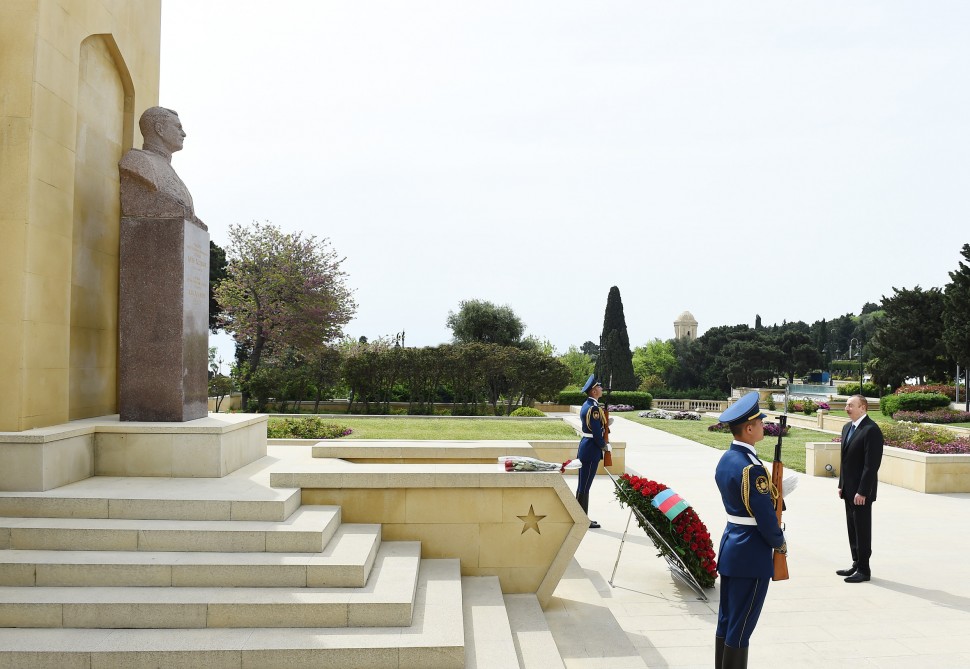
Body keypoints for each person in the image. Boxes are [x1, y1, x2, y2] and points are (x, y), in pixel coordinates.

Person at [714, 391, 787, 669]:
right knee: (742, 627)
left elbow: (744, 500)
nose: (762, 426)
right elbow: (765, 518)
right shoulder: (752, 468)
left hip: (732, 545)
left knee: (727, 620)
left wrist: (776, 494)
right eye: (759, 422)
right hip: (751, 553)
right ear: (748, 429)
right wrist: (779, 543)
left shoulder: (727, 459)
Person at [119, 106, 206, 229]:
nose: (184, 134)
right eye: (178, 127)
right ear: (159, 129)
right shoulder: (137, 161)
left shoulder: (168, 168)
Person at [836, 394, 884, 583]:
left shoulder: (871, 430)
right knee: (852, 527)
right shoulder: (847, 427)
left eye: (851, 405)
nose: (847, 408)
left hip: (861, 492)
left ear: (863, 407)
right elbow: (844, 459)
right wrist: (842, 484)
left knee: (862, 529)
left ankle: (864, 569)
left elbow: (871, 465)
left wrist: (863, 491)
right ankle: (856, 563)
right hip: (848, 490)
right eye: (846, 405)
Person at [575, 374, 610, 529]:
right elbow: (596, 434)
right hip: (591, 450)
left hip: (586, 447)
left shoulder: (587, 405)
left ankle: (579, 517)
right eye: (599, 387)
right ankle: (582, 520)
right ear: (594, 391)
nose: (601, 389)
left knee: (582, 485)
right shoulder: (594, 408)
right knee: (585, 486)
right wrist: (604, 446)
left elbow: (593, 426)